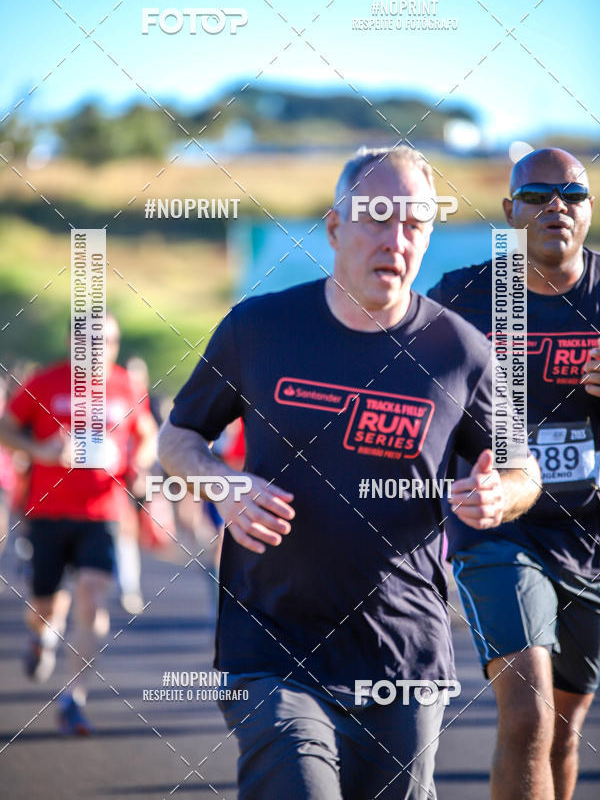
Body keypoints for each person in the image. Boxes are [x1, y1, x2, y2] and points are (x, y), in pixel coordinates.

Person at [158, 146, 540, 799]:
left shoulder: (461, 352)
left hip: (404, 658)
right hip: (272, 646)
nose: (396, 238)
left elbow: (520, 468)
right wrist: (225, 485)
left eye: (415, 223)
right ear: (336, 227)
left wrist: (497, 496)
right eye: (377, 216)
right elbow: (178, 436)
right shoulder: (259, 327)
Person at [428, 147, 599, 800]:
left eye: (573, 194)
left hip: (591, 533)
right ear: (510, 211)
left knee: (564, 727)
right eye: (537, 195)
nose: (556, 205)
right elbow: (407, 397)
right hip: (501, 526)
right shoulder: (466, 299)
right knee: (527, 713)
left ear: (587, 210)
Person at [0, 314, 156, 734]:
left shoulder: (126, 385)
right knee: (45, 605)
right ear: (74, 342)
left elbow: (148, 436)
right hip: (48, 514)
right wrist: (40, 450)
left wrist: (138, 466)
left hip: (102, 513)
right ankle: (41, 635)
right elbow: (5, 428)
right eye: (93, 340)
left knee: (93, 600)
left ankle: (74, 696)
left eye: (110, 340)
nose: (103, 348)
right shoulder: (47, 382)